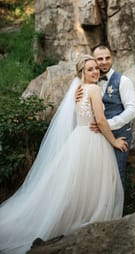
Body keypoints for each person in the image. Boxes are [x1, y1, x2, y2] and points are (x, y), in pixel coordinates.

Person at [0, 55, 127, 254]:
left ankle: (71, 216)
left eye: (96, 68)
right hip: (93, 140)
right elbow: (101, 121)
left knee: (77, 182)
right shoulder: (93, 89)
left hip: (79, 137)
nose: (95, 72)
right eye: (90, 69)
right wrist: (115, 141)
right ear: (82, 73)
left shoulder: (78, 89)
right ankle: (89, 221)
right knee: (93, 182)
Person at [76, 45, 135, 187]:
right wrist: (77, 95)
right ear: (93, 60)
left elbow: (133, 109)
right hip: (97, 139)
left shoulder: (123, 81)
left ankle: (117, 209)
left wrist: (107, 124)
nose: (104, 62)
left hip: (118, 135)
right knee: (100, 178)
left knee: (116, 174)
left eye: (107, 58)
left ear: (112, 58)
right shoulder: (91, 79)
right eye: (99, 59)